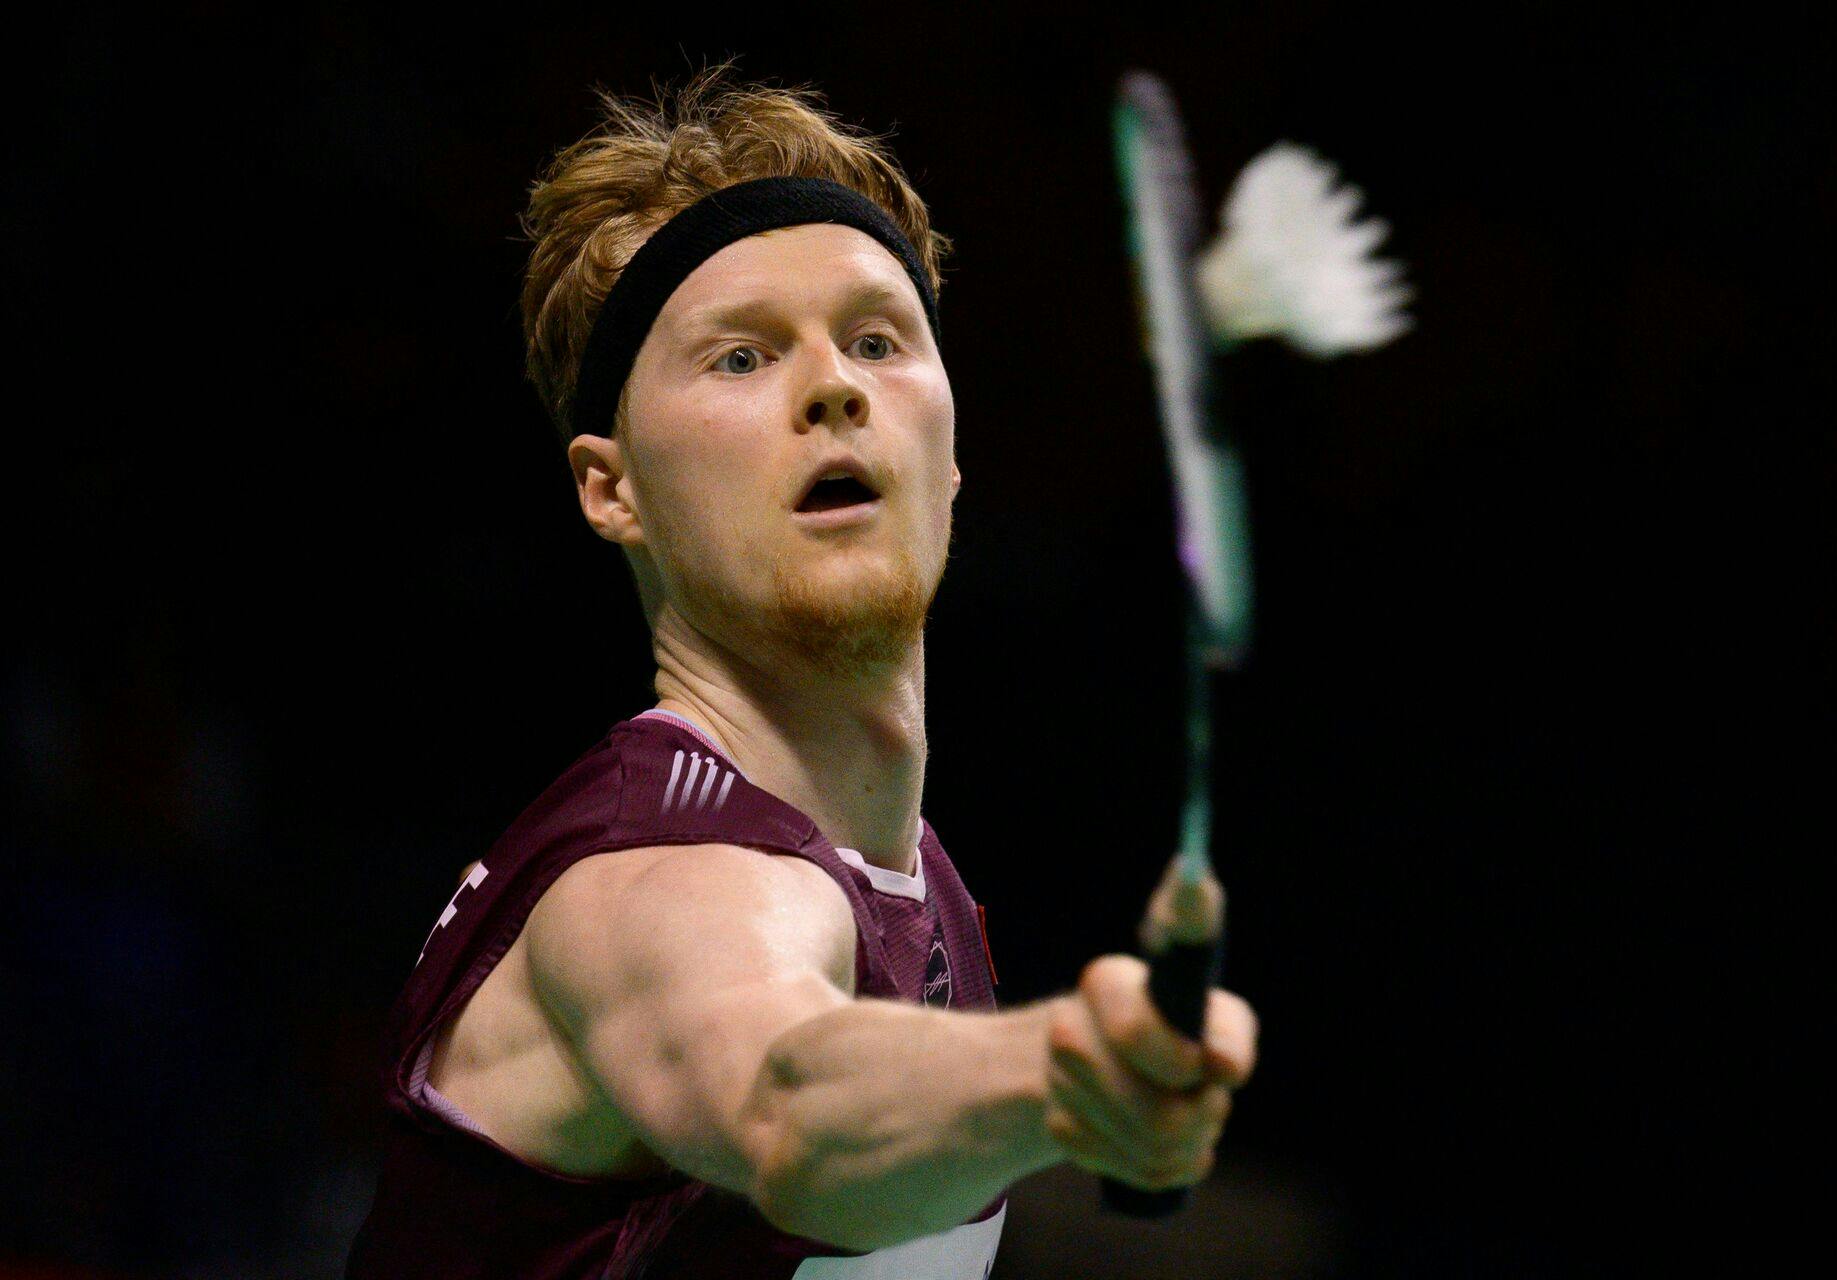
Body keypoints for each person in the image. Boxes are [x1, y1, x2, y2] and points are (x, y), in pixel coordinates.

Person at [346, 66, 1259, 1278]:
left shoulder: (916, 881)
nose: (835, 385)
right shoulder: (649, 880)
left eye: (878, 339)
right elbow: (788, 1102)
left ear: (951, 454)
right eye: (741, 357)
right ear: (612, 488)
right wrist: (1065, 1067)